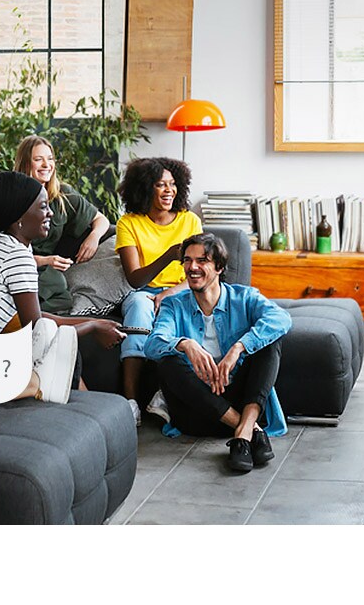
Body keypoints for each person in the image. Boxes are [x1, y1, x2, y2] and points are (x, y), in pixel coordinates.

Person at [0, 172, 124, 404]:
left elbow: (36, 319)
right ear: (19, 219)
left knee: (48, 339)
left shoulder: (3, 244)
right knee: (45, 343)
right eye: (42, 207)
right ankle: (37, 383)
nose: (50, 212)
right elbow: (36, 328)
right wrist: (91, 326)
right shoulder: (17, 256)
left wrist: (95, 323)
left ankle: (42, 382)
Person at [143, 233, 291, 474]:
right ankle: (250, 431)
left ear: (219, 267)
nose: (192, 267)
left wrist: (239, 347)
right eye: (188, 261)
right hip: (198, 413)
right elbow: (152, 345)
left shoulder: (244, 297)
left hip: (240, 400)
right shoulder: (173, 304)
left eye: (202, 261)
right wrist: (185, 344)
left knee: (269, 342)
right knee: (167, 362)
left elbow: (281, 319)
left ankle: (243, 434)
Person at [114, 156, 201, 425]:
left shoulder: (190, 221)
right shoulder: (128, 223)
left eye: (173, 184)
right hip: (144, 291)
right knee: (140, 307)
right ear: (145, 187)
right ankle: (132, 402)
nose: (168, 191)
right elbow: (135, 279)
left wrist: (170, 294)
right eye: (160, 184)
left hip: (183, 290)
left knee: (182, 311)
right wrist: (167, 256)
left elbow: (198, 274)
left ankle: (165, 395)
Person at [14, 134, 110, 314]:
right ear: (25, 163)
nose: (46, 165)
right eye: (38, 159)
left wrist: (94, 237)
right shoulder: (11, 198)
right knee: (57, 293)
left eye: (50, 159)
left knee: (62, 297)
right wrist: (45, 261)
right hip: (22, 267)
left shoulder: (63, 195)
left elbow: (102, 220)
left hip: (49, 271)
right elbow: (5, 256)